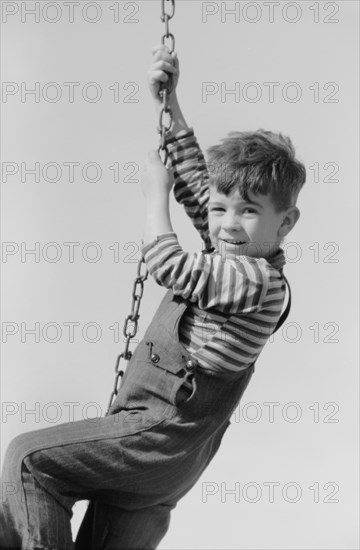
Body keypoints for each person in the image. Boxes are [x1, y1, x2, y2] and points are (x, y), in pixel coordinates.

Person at [0, 45, 306, 550]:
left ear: (285, 222)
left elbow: (169, 266)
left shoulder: (256, 281)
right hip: (161, 472)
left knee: (30, 460)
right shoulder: (229, 257)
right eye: (221, 208)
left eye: (249, 211)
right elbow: (196, 184)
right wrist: (172, 102)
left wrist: (153, 198)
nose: (228, 222)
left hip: (157, 439)